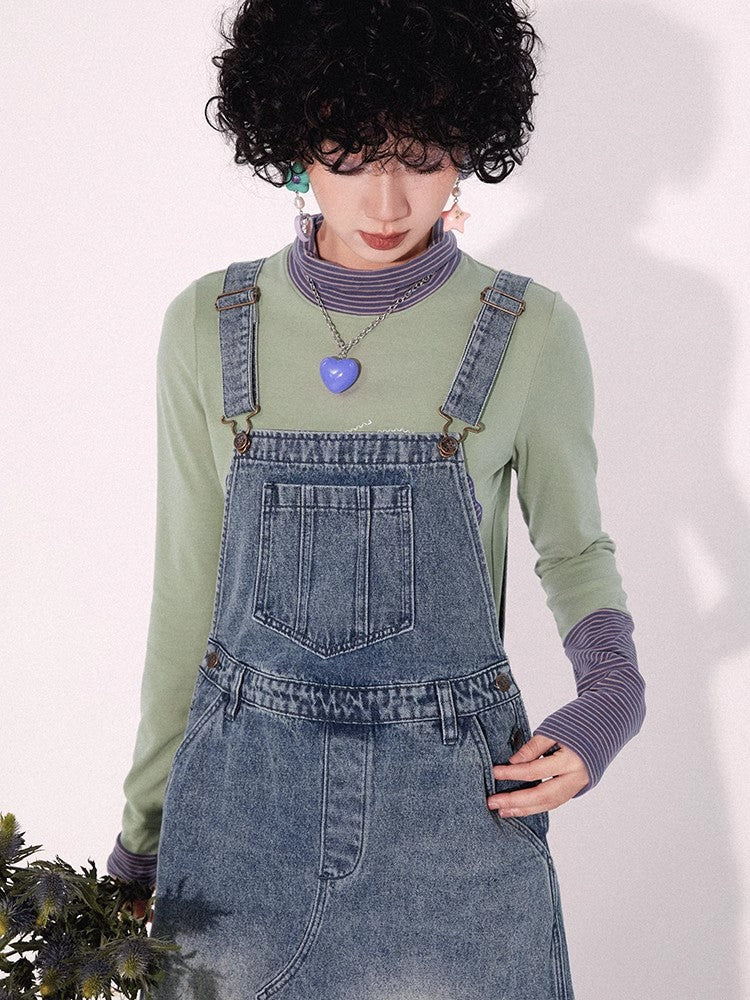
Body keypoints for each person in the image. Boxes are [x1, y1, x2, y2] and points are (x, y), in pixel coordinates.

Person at [107, 0, 647, 996]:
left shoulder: (529, 329)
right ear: (293, 143)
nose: (389, 199)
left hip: (453, 826)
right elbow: (186, 596)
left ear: (469, 146)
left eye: (423, 156)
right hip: (235, 833)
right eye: (351, 154)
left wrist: (611, 699)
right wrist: (142, 839)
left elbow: (574, 552)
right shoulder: (205, 325)